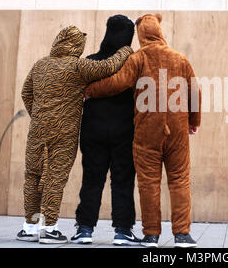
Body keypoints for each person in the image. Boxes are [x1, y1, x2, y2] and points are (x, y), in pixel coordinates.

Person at [85, 14, 201, 248]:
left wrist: (90, 90)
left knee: (149, 182)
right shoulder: (180, 58)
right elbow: (195, 92)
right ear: (159, 31)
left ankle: (151, 235)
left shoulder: (139, 58)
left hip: (147, 131)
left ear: (140, 35)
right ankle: (182, 234)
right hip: (177, 130)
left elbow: (117, 82)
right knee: (179, 180)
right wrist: (193, 121)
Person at [17, 25, 133, 244]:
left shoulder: (40, 65)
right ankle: (49, 228)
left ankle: (30, 226)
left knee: (33, 176)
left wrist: (39, 115)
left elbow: (26, 93)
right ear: (77, 45)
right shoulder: (78, 66)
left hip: (38, 129)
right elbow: (109, 66)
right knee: (55, 176)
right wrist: (125, 50)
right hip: (64, 131)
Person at [71, 15, 141, 246]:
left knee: (92, 179)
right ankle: (122, 231)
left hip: (93, 130)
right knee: (122, 180)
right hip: (125, 130)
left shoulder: (91, 61)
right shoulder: (134, 63)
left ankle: (84, 229)